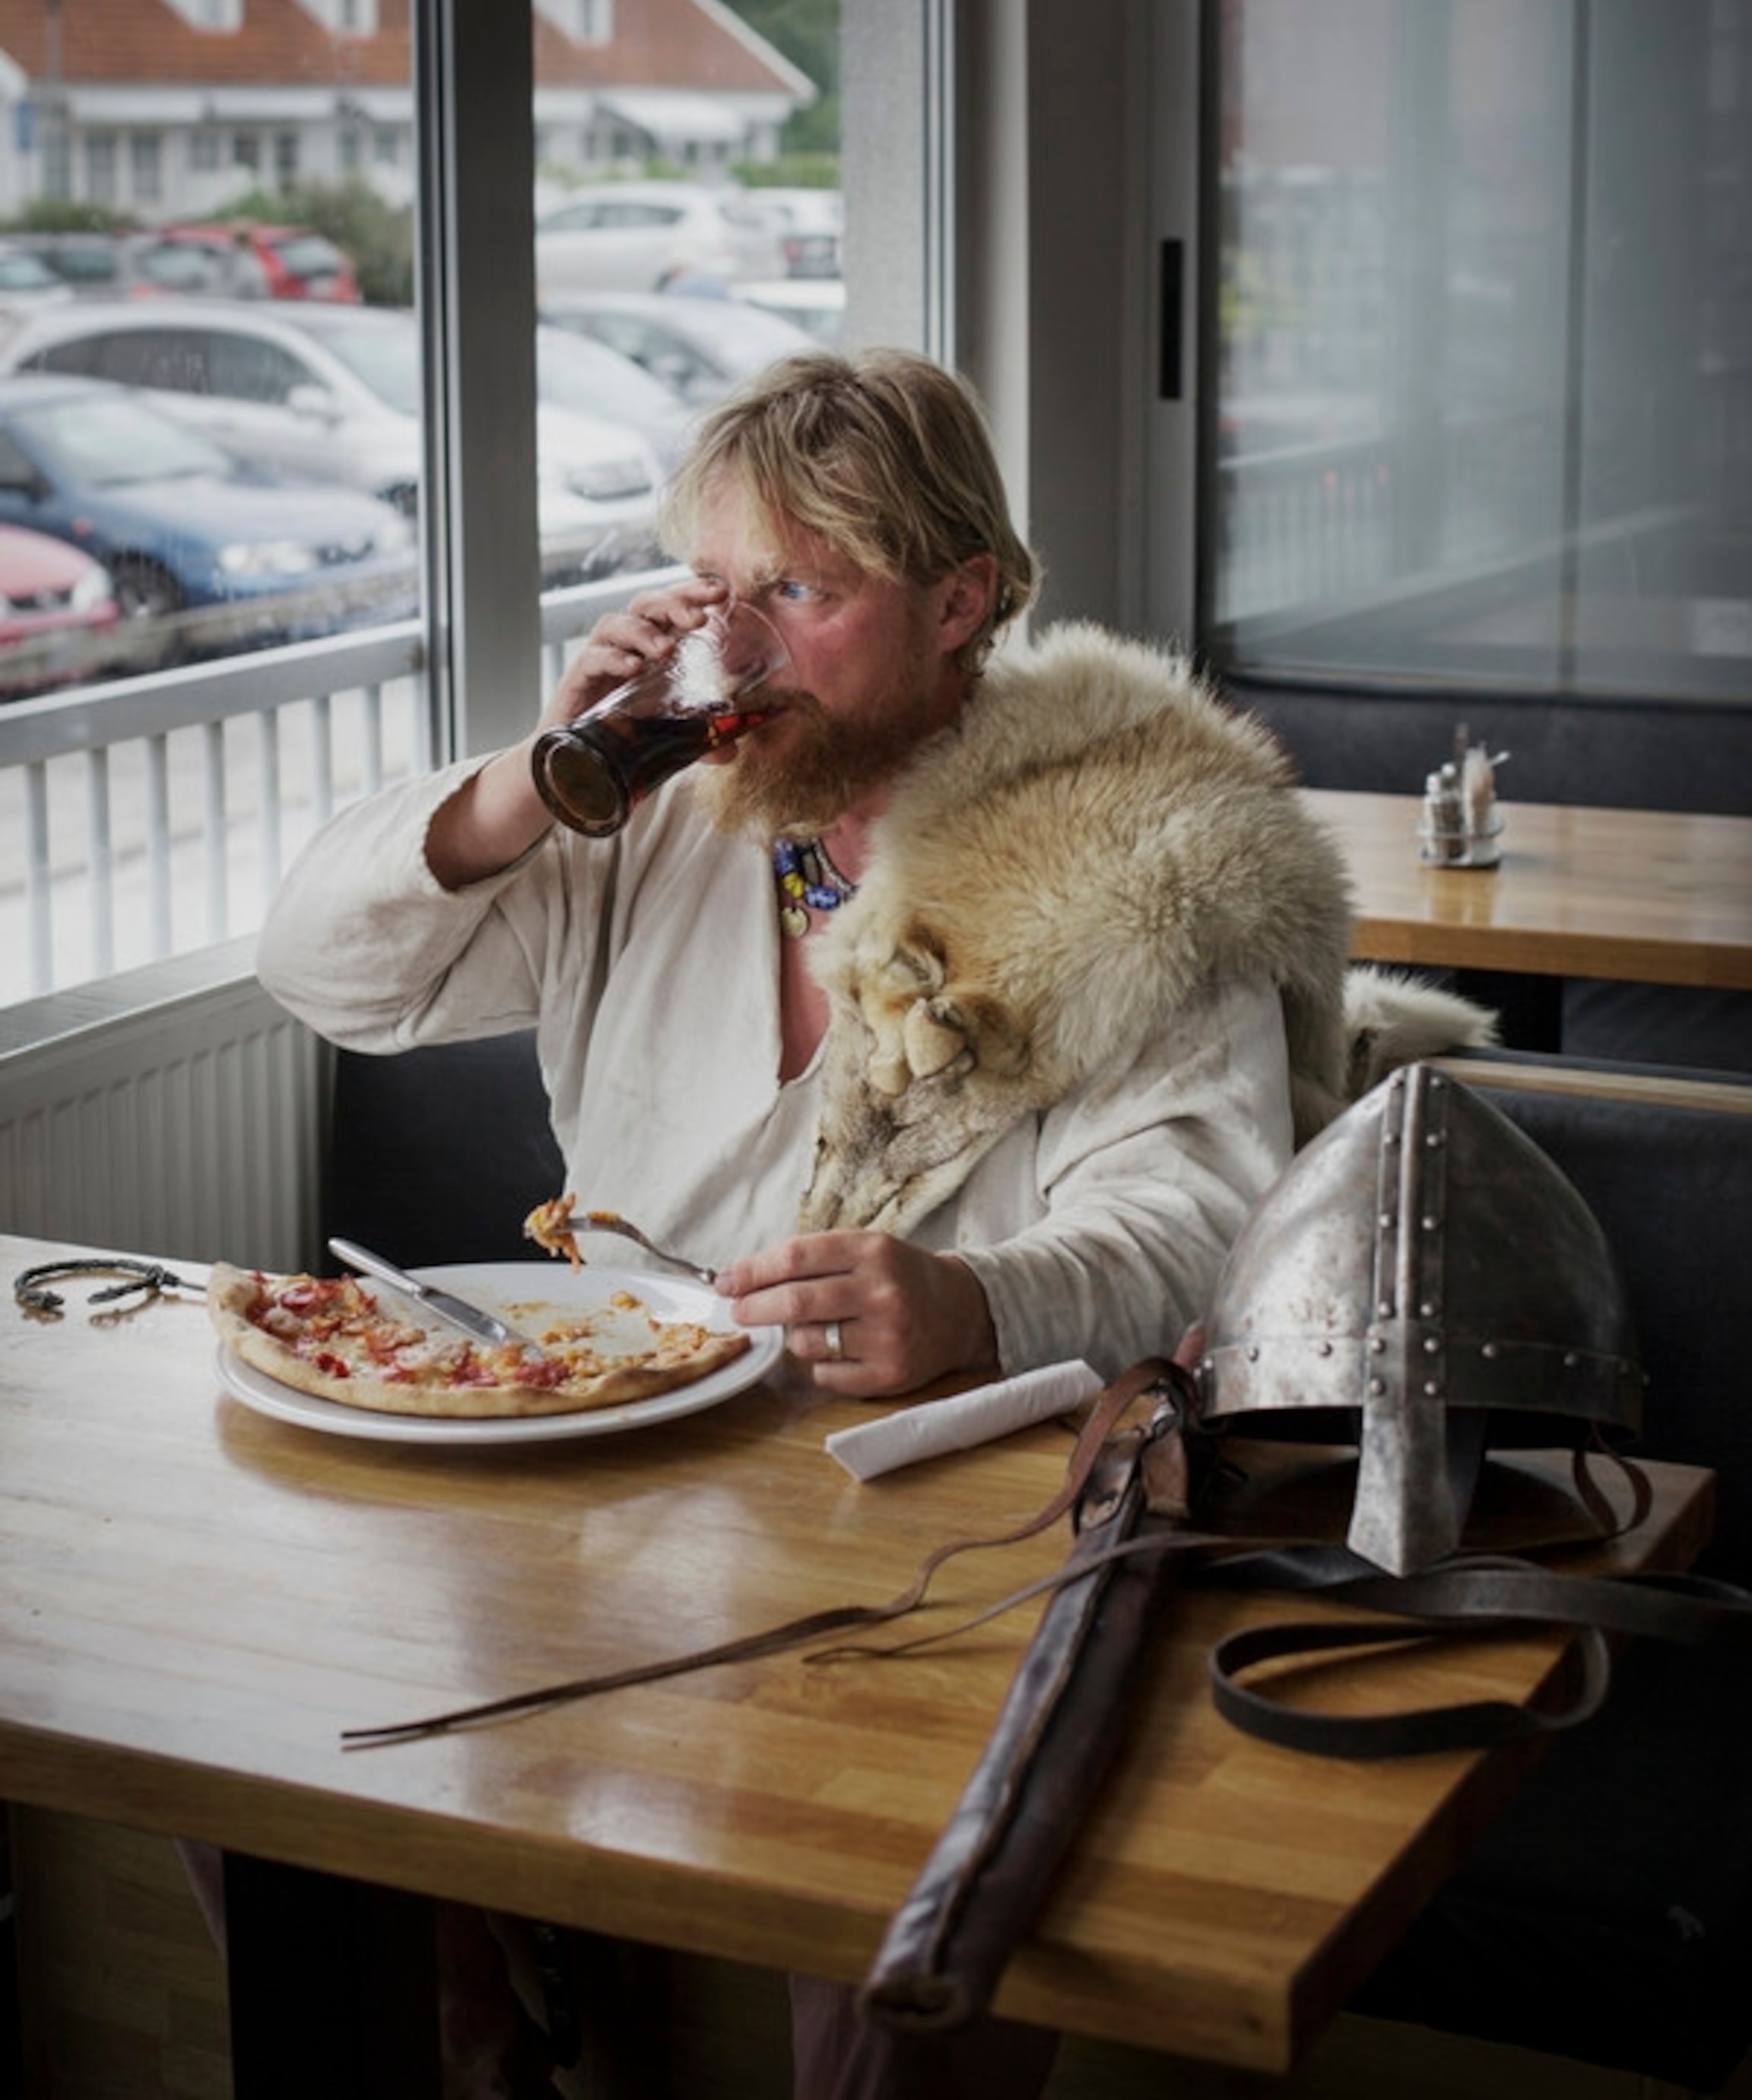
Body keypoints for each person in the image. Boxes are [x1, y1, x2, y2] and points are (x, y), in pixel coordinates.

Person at [256, 347, 1484, 2097]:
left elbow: (1213, 1215)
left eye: (807, 594)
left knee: (886, 1921)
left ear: (959, 600)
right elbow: (322, 974)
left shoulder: (1140, 851)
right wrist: (542, 770)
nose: (739, 650)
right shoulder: (652, 811)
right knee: (264, 1753)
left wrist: (978, 1298)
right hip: (613, 1469)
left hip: (939, 1511)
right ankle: (492, 2039)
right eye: (722, 591)